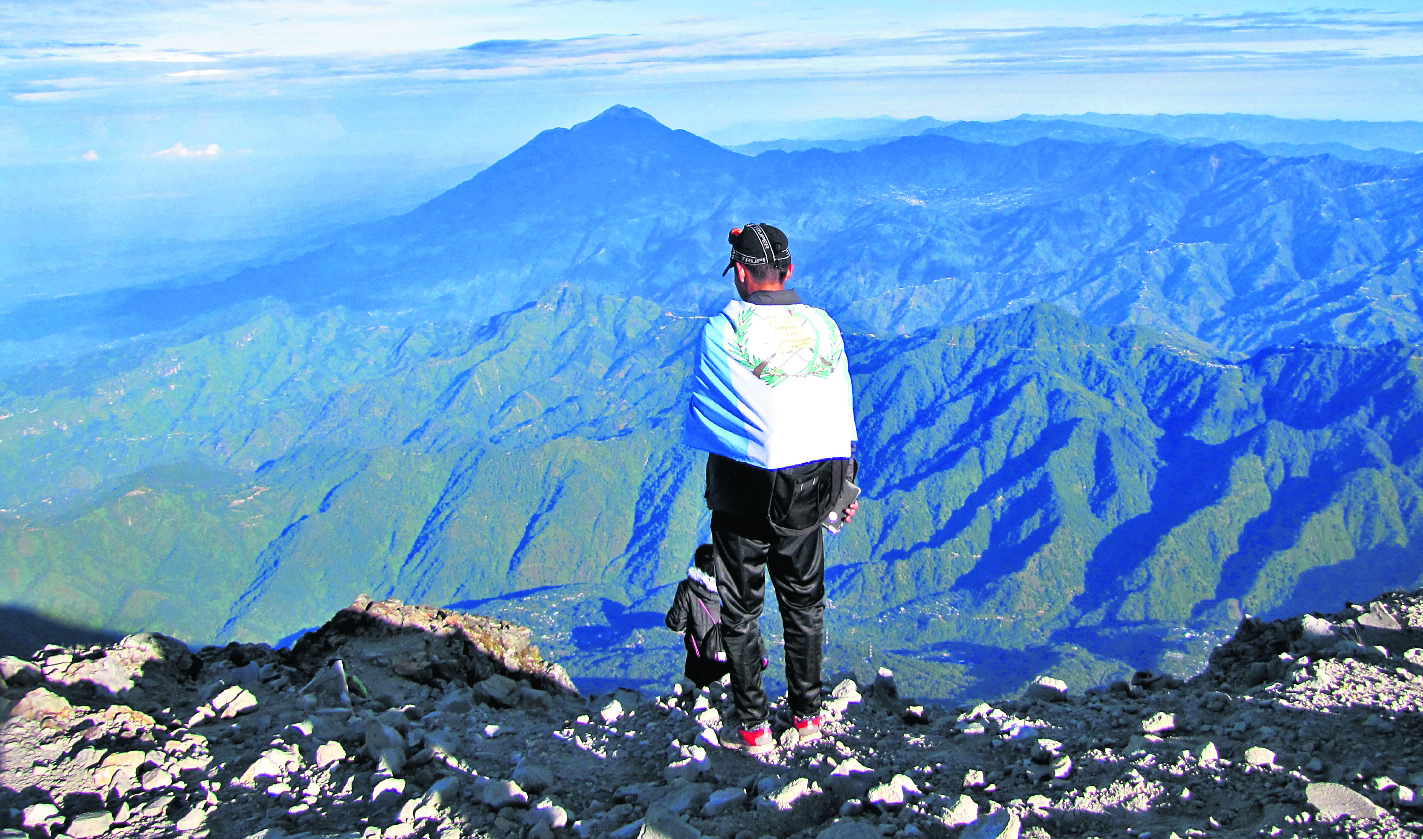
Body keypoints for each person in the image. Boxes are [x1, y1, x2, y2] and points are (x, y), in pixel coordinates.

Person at [682, 223, 860, 754]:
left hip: (741, 484)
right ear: (788, 270)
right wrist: (842, 485)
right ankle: (807, 717)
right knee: (804, 603)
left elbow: (713, 413)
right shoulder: (825, 328)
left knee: (739, 608)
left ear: (739, 271)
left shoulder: (721, 332)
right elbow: (837, 410)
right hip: (810, 483)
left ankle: (754, 727)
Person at [664, 544, 731, 689]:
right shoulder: (730, 588)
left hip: (698, 660)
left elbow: (676, 623)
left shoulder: (687, 588)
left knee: (694, 701)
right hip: (727, 657)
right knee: (723, 701)